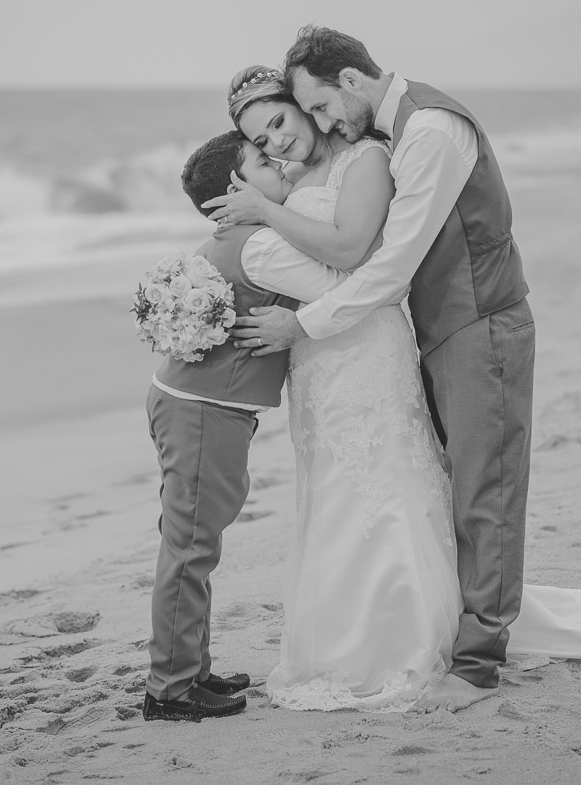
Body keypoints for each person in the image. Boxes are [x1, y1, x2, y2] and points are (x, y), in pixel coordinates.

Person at [205, 29, 581, 714]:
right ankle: (462, 632)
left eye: (318, 108)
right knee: (460, 493)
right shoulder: (392, 137)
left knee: (488, 493)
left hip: (481, 324)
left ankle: (477, 664)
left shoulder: (431, 132)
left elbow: (385, 263)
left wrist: (300, 321)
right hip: (436, 332)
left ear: (352, 82)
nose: (319, 124)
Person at [145, 128, 363, 720]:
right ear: (237, 188)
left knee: (196, 542)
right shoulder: (258, 245)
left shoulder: (246, 237)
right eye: (264, 162)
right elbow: (340, 286)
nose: (281, 166)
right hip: (202, 410)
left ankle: (191, 667)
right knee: (190, 548)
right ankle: (169, 690)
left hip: (201, 405)